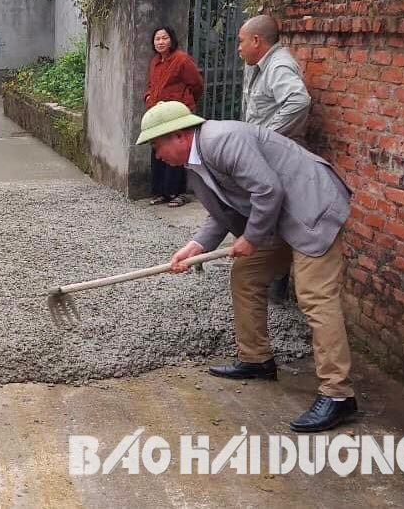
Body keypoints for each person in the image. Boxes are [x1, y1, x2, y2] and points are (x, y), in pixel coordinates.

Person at [138, 101, 357, 432]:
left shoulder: (222, 140)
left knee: (315, 297)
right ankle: (256, 360)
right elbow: (220, 212)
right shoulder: (196, 165)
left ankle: (338, 395)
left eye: (157, 145)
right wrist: (195, 247)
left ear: (179, 136)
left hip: (311, 209)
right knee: (247, 275)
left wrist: (251, 237)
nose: (157, 155)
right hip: (280, 218)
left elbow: (267, 189)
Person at [238, 14, 312, 305]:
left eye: (241, 41)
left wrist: (265, 136)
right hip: (269, 156)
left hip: (281, 158)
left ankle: (275, 280)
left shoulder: (278, 65)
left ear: (257, 40)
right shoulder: (260, 66)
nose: (239, 48)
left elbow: (299, 100)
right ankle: (269, 278)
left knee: (276, 215)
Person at [143, 26, 204, 207]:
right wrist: (148, 98)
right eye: (157, 39)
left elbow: (196, 84)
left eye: (164, 38)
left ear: (172, 40)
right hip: (158, 114)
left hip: (177, 114)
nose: (160, 42)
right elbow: (151, 85)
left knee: (177, 151)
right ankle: (160, 191)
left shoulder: (181, 59)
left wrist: (184, 102)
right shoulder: (155, 62)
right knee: (159, 151)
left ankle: (178, 192)